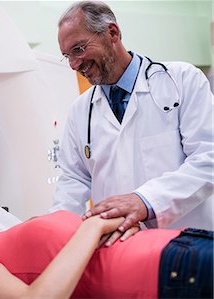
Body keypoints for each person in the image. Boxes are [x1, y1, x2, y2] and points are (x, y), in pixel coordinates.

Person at [51, 1, 214, 244]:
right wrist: (56, 232)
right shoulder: (80, 111)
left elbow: (207, 158)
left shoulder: (182, 80)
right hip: (120, 252)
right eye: (67, 56)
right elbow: (73, 180)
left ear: (112, 33)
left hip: (187, 244)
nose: (74, 64)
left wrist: (145, 201)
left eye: (79, 49)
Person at [0, 187, 213, 299]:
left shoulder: (22, 230)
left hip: (180, 240)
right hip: (168, 272)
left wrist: (111, 225)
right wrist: (92, 228)